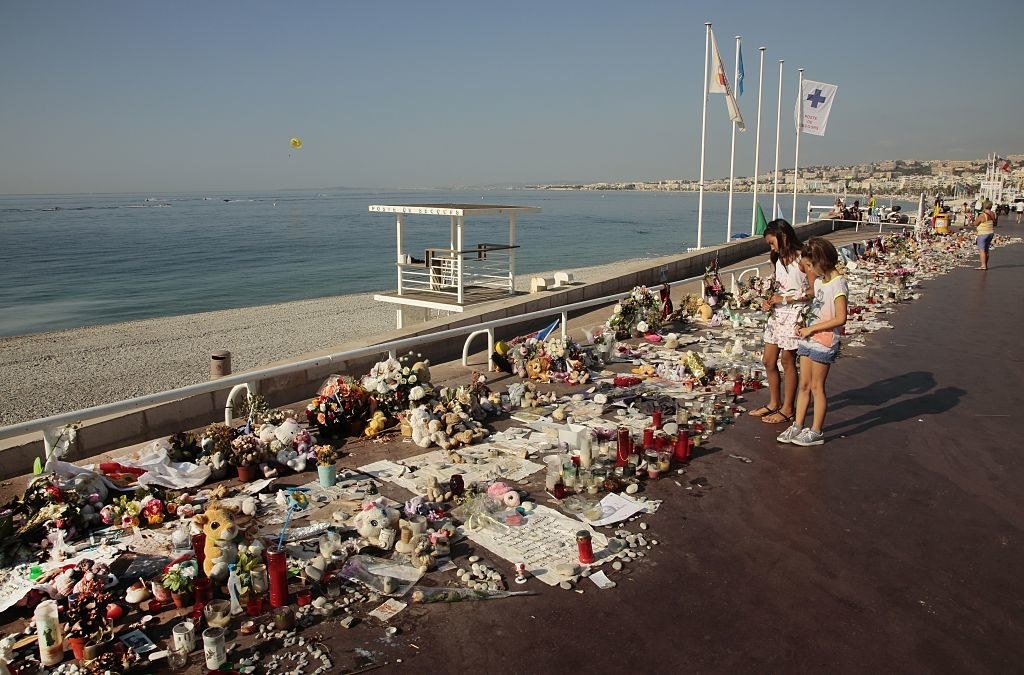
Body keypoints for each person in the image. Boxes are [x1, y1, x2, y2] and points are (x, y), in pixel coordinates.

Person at [777, 237, 848, 446]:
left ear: (821, 261)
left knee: (817, 387)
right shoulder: (819, 282)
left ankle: (816, 430)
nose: (809, 270)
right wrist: (803, 323)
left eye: (810, 265)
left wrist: (811, 328)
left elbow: (840, 318)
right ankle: (798, 425)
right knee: (804, 385)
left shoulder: (838, 284)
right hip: (809, 338)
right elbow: (816, 308)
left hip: (824, 341)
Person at [748, 219, 811, 426]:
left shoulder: (803, 258)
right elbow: (780, 285)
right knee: (768, 359)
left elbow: (813, 290)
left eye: (772, 242)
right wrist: (770, 300)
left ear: (783, 236)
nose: (771, 247)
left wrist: (786, 299)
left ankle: (788, 408)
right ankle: (774, 402)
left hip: (795, 313)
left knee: (787, 360)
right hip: (778, 313)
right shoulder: (777, 258)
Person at [972, 202, 997, 270]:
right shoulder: (993, 214)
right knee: (986, 250)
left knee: (982, 250)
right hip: (990, 233)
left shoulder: (983, 215)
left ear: (984, 206)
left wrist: (972, 219)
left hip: (983, 233)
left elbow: (975, 223)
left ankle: (983, 266)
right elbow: (995, 223)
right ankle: (985, 264)